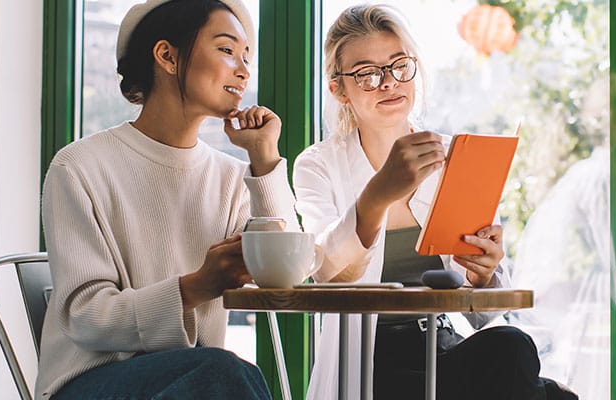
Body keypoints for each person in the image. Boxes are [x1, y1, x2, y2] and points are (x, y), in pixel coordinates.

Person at [293, 4, 578, 400]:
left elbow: (485, 313)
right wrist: (378, 194)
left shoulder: (453, 156)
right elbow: (325, 270)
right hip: (367, 361)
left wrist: (484, 275)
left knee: (511, 345)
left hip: (441, 347)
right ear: (339, 89)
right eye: (367, 74)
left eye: (399, 66)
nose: (389, 82)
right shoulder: (318, 164)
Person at [35, 0, 299, 398]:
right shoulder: (79, 166)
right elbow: (86, 317)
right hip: (90, 382)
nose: (243, 70)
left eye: (247, 57)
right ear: (167, 56)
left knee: (223, 373)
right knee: (223, 372)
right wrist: (196, 286)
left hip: (194, 378)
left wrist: (263, 158)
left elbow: (286, 274)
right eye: (227, 50)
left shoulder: (229, 177)